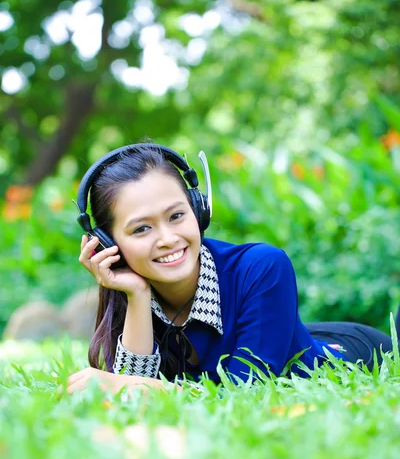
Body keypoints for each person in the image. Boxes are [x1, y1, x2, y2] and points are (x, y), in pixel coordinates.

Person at [67, 143, 399, 395]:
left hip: (351, 352)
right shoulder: (133, 292)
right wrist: (136, 295)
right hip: (284, 335)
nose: (167, 239)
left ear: (199, 210)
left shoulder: (262, 267)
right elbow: (132, 390)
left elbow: (245, 391)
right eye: (141, 229)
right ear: (108, 243)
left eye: (176, 216)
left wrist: (134, 388)